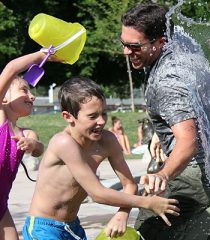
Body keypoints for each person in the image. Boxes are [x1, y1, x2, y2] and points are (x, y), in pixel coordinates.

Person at [121, 3, 210, 239]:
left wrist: (163, 175)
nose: (126, 52)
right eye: (124, 43)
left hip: (190, 174)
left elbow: (188, 141)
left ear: (160, 42)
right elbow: (194, 106)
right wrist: (161, 130)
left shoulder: (167, 80)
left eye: (134, 46)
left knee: (146, 234)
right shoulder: (186, 48)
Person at [22, 77, 179, 240]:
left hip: (73, 226)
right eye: (92, 116)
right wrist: (147, 203)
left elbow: (129, 184)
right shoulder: (63, 143)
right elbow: (97, 193)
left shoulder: (108, 141)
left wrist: (122, 214)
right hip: (43, 228)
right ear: (68, 116)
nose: (102, 121)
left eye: (104, 113)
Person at [0, 51, 47, 240]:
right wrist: (40, 55)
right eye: (24, 90)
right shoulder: (0, 118)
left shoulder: (26, 133)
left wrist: (33, 145)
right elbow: (11, 69)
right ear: (4, 98)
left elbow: (39, 149)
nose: (32, 96)